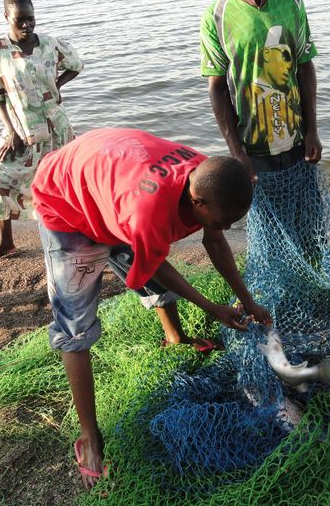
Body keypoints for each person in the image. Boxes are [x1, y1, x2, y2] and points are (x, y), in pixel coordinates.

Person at [31, 127, 272, 489]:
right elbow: (156, 264)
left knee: (143, 247)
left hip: (111, 181)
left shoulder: (206, 176)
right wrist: (211, 307)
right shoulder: (148, 214)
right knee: (75, 329)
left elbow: (214, 241)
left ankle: (175, 337)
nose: (224, 228)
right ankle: (90, 437)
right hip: (66, 202)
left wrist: (248, 302)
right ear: (198, 203)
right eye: (220, 221)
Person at [200, 0, 321, 180]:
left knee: (307, 205)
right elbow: (217, 88)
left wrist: (313, 131)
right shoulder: (217, 16)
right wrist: (236, 151)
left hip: (298, 141)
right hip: (253, 151)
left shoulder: (292, 0)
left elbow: (304, 65)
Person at [0, 0, 83, 258]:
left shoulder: (49, 44)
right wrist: (10, 131)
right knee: (0, 178)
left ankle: (76, 241)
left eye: (31, 19)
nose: (27, 25)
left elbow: (76, 64)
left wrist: (57, 85)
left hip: (56, 127)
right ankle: (6, 242)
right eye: (20, 20)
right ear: (6, 17)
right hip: (22, 130)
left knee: (62, 185)